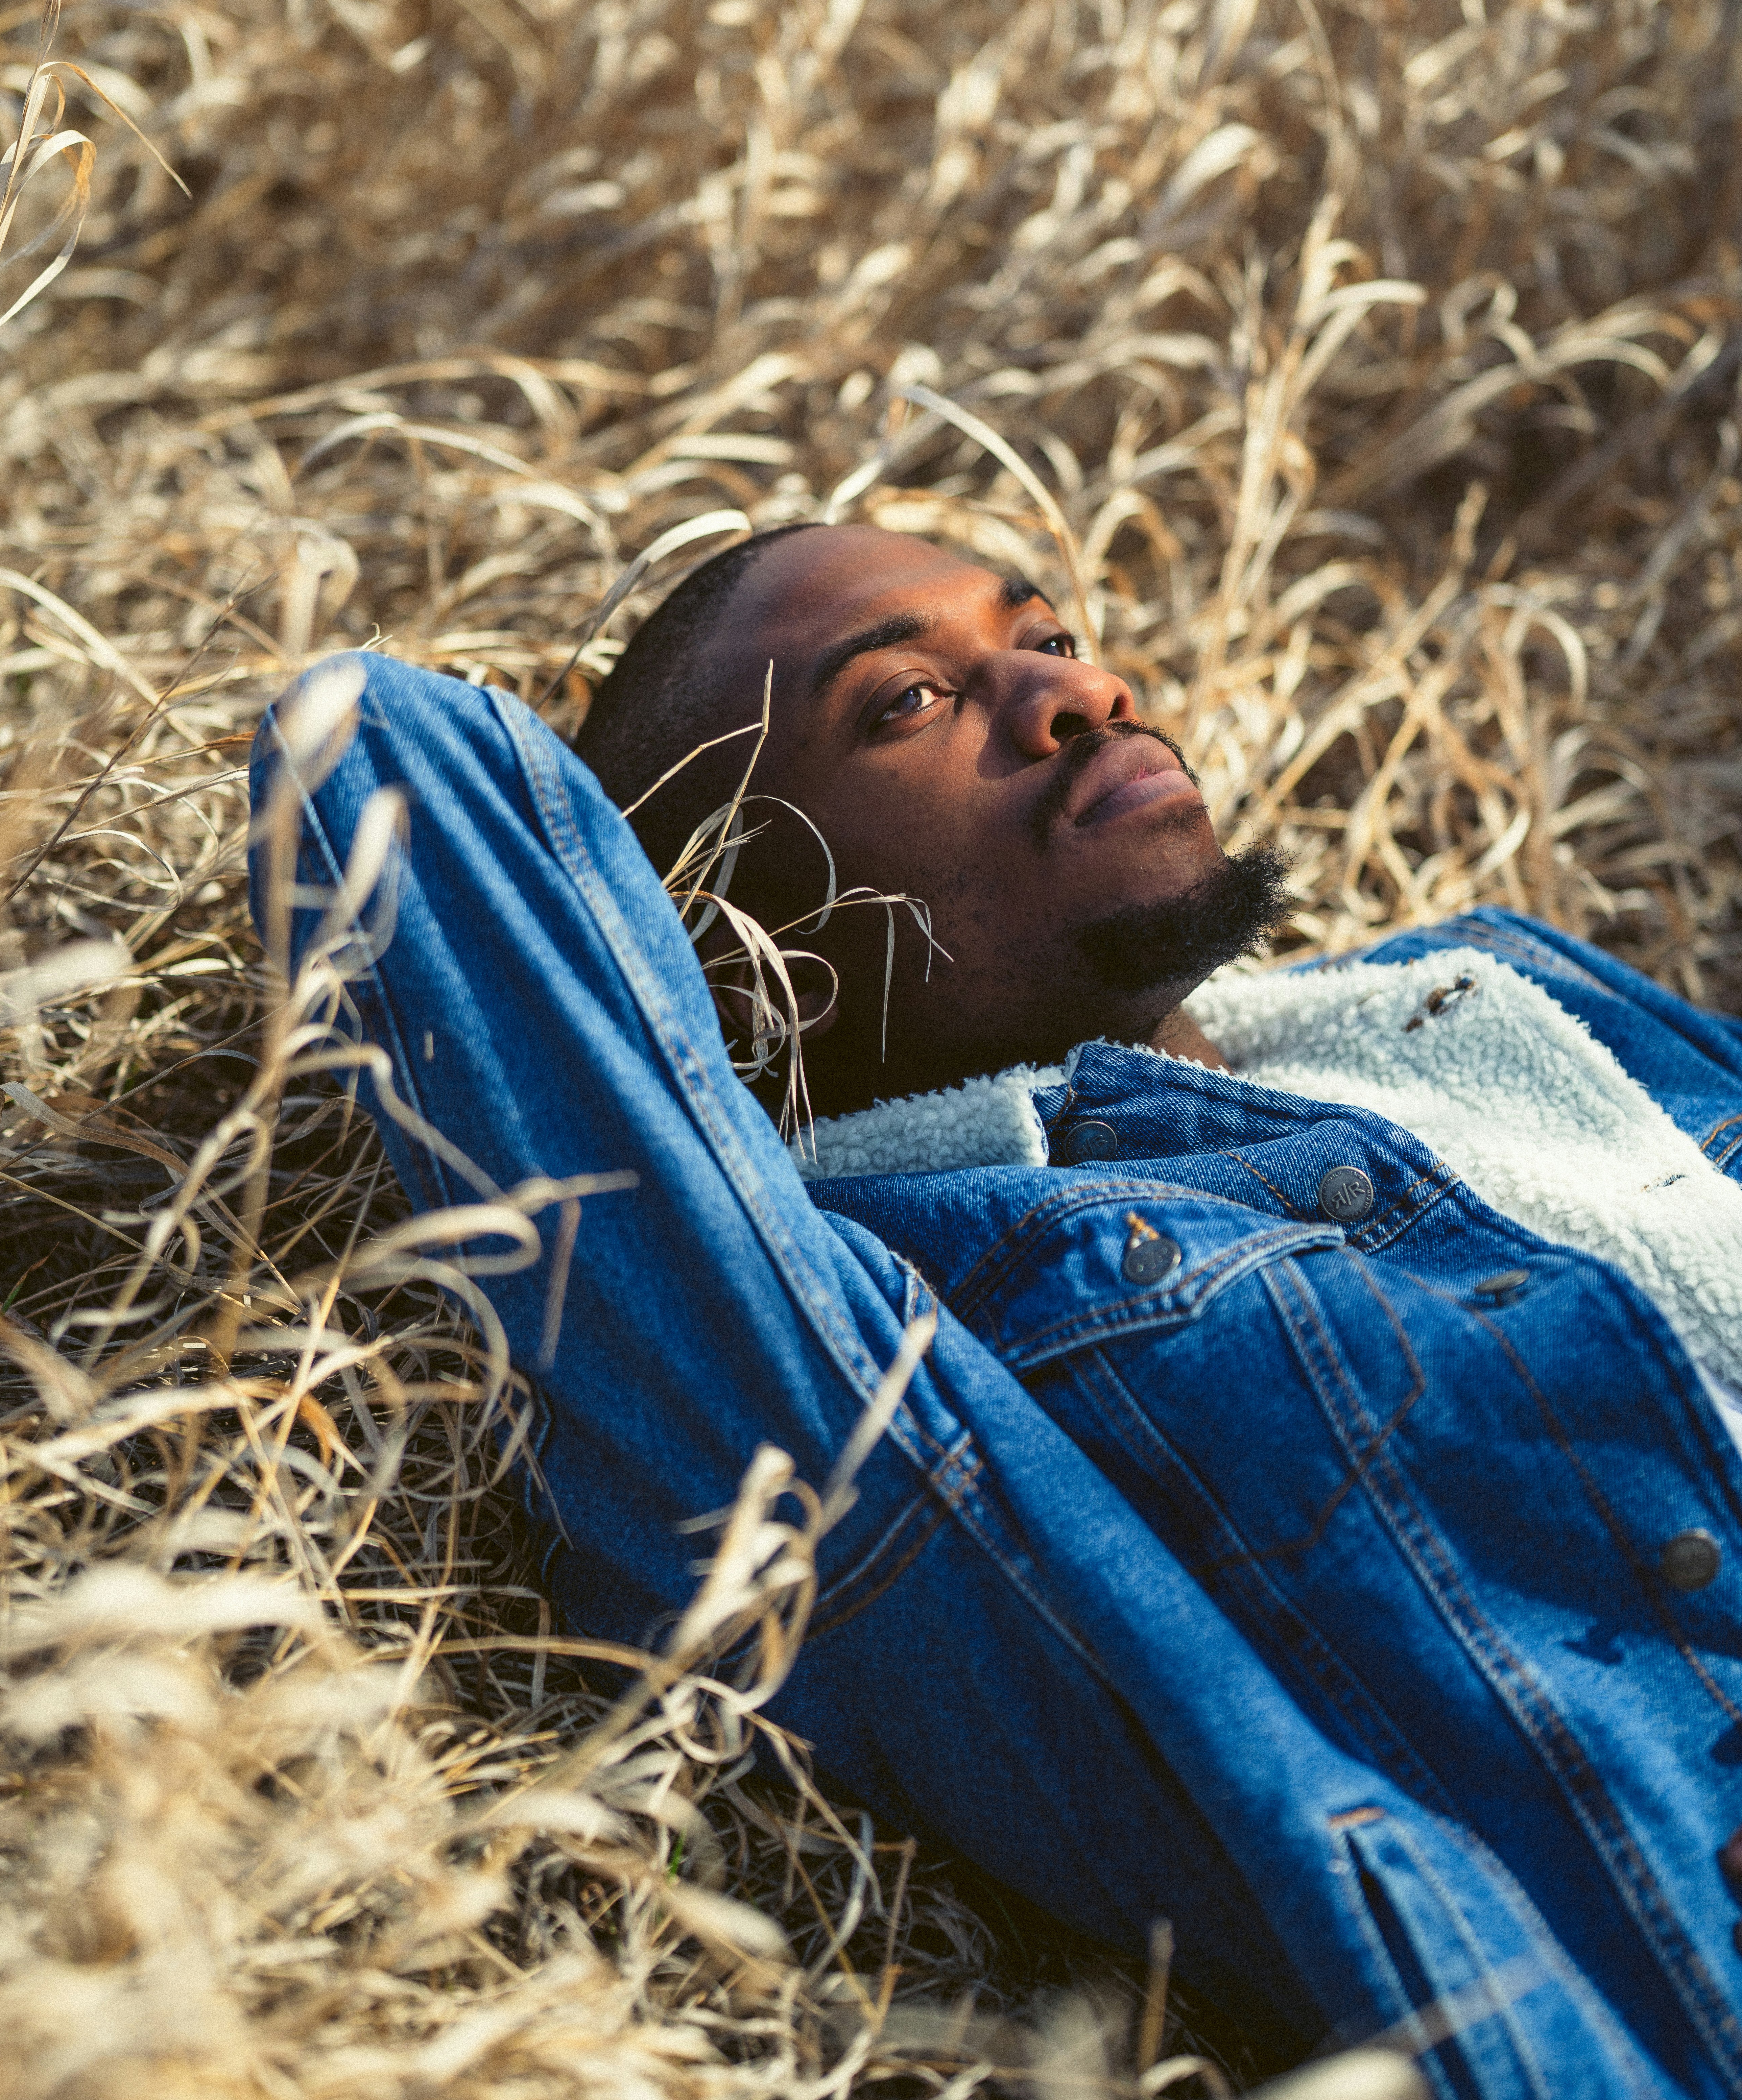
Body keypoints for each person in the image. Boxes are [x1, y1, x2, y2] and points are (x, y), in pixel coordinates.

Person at [250, 523, 1742, 2099]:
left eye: (1043, 632)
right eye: (907, 702)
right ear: (756, 958)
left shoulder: (1483, 991)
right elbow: (375, 755)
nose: (1076, 692)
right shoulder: (880, 1350)